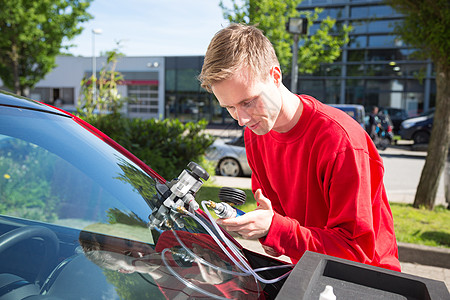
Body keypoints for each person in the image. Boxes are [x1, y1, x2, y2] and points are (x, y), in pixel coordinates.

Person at [198, 23, 401, 271]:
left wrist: (276, 229)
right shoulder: (256, 135)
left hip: (368, 280)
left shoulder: (341, 141)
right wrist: (270, 232)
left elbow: (354, 252)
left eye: (248, 102)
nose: (242, 119)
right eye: (229, 107)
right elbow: (287, 231)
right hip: (310, 270)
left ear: (275, 76)